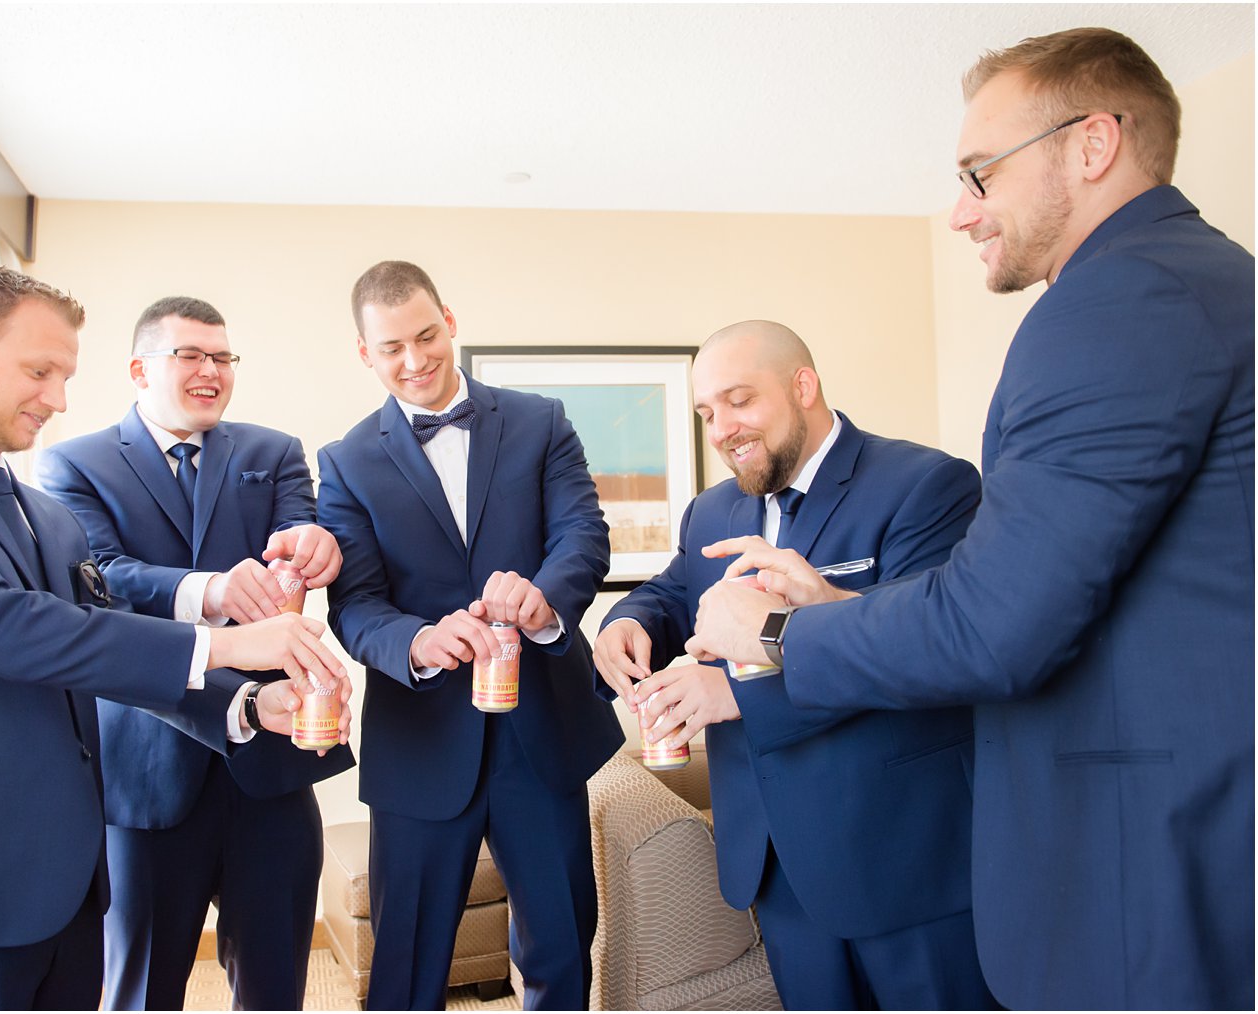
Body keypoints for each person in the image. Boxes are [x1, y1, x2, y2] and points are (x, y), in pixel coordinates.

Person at [687, 28, 1254, 1010]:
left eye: (977, 175)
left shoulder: (1116, 301)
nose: (958, 213)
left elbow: (997, 626)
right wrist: (826, 601)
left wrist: (780, 631)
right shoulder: (1194, 279)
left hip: (1140, 868)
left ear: (1091, 144)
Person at [0, 267, 350, 1011]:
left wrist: (244, 706)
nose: (57, 399)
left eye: (65, 376)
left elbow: (96, 651)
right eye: (39, 371)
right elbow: (14, 630)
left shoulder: (41, 516)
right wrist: (229, 646)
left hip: (68, 891)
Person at [593, 321, 992, 1010]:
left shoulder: (928, 486)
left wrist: (734, 694)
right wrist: (627, 621)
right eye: (706, 412)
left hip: (903, 853)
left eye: (739, 400)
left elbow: (920, 658)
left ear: (803, 385)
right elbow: (671, 592)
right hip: (776, 861)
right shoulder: (710, 511)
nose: (722, 429)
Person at [316, 260, 623, 1009]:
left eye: (426, 336)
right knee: (407, 971)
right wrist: (416, 643)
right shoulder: (345, 461)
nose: (415, 360)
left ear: (449, 320)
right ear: (364, 353)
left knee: (561, 953)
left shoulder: (540, 420)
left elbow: (583, 535)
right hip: (420, 745)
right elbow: (355, 606)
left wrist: (543, 601)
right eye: (392, 348)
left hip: (542, 734)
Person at [38, 295, 353, 1011]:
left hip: (270, 765)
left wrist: (311, 550)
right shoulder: (72, 464)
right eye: (191, 355)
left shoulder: (272, 452)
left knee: (277, 990)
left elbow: (297, 544)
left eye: (223, 357)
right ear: (138, 369)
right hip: (146, 771)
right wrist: (209, 590)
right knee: (141, 991)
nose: (212, 370)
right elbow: (97, 583)